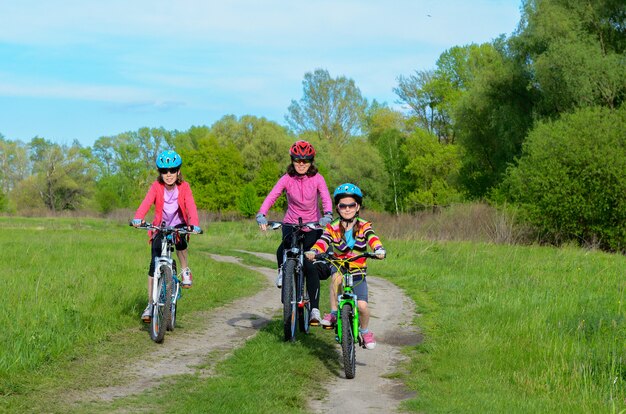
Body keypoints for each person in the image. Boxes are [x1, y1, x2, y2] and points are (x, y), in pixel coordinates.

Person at [256, 140, 333, 325]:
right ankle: (284, 272)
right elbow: (272, 195)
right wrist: (262, 214)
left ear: (311, 162)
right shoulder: (286, 179)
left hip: (313, 225)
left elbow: (325, 198)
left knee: (309, 264)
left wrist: (328, 215)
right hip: (291, 223)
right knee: (280, 250)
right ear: (292, 160)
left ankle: (314, 310)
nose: (301, 164)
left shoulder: (317, 178)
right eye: (298, 160)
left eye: (305, 161)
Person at [305, 183, 386, 349]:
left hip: (358, 270)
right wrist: (314, 250)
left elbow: (372, 238)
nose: (347, 209)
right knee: (335, 278)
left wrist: (378, 249)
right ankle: (334, 313)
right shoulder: (332, 227)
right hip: (340, 265)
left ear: (358, 207)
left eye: (351, 205)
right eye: (343, 205)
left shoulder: (364, 225)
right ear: (337, 207)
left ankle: (365, 331)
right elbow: (324, 240)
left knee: (362, 306)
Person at [131, 149, 202, 322]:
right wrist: (138, 218)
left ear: (178, 171)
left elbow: (190, 205)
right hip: (159, 226)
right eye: (164, 171)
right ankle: (150, 303)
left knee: (181, 242)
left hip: (178, 224)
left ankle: (185, 269)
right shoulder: (157, 187)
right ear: (160, 173)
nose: (168, 174)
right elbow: (146, 203)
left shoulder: (184, 187)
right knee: (153, 263)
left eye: (172, 170)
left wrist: (194, 224)